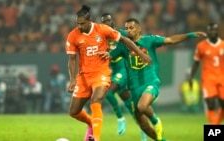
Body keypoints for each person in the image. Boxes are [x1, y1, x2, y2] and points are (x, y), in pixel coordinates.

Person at [106, 18, 205, 141]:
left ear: (139, 29)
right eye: (126, 28)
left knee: (142, 106)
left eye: (131, 28)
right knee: (143, 126)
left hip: (150, 82)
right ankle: (162, 140)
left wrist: (189, 35)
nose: (128, 31)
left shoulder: (150, 40)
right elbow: (109, 56)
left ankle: (156, 120)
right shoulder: (122, 47)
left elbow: (171, 40)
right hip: (134, 88)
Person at [65, 5, 151, 141]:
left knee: (96, 100)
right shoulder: (73, 35)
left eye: (82, 24)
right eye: (78, 24)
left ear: (90, 21)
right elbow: (71, 59)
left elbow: (125, 40)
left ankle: (97, 137)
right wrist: (72, 79)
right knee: (74, 112)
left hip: (102, 73)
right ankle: (92, 123)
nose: (79, 26)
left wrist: (140, 53)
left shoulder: (103, 30)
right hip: (83, 76)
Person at [100, 12, 147, 141]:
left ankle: (120, 119)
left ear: (112, 22)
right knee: (129, 104)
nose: (107, 24)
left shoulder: (122, 34)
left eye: (108, 21)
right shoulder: (101, 38)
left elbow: (136, 41)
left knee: (109, 93)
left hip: (123, 69)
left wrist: (141, 54)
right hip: (112, 71)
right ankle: (143, 128)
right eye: (104, 22)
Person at [188, 23, 224, 124]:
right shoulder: (201, 46)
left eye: (214, 30)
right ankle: (214, 130)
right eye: (210, 30)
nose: (212, 32)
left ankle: (215, 125)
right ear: (207, 32)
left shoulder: (223, 45)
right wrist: (191, 77)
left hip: (222, 78)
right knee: (211, 103)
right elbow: (196, 63)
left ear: (217, 31)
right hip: (208, 79)